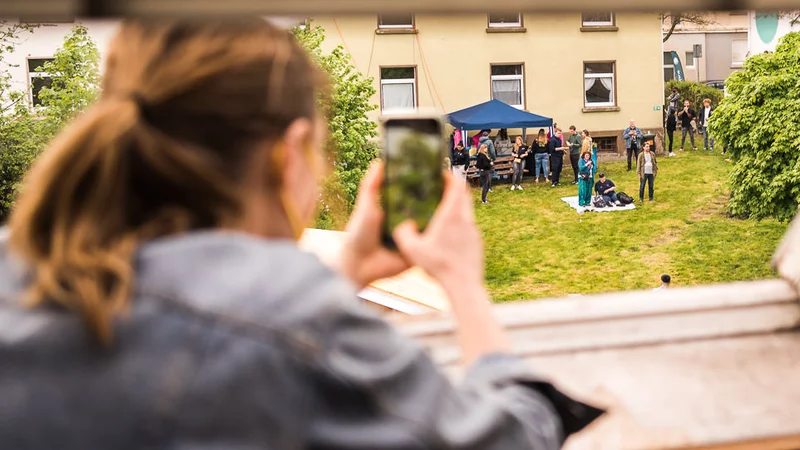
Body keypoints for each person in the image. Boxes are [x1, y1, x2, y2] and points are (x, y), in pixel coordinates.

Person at [0, 19, 602, 449]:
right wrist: (463, 282)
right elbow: (510, 435)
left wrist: (346, 269)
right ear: (287, 156)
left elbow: (222, 322)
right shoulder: (294, 320)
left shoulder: (19, 271)